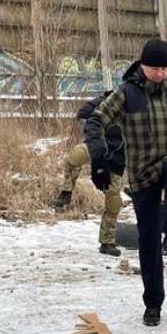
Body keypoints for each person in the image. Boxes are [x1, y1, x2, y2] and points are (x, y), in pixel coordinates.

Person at [84, 38, 167, 326]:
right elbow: (96, 120)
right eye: (153, 68)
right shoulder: (126, 93)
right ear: (142, 65)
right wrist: (98, 158)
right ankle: (153, 303)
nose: (159, 74)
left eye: (164, 68)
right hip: (142, 173)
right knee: (147, 242)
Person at [51, 90, 125, 257]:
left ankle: (107, 242)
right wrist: (93, 133)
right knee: (74, 157)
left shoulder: (141, 109)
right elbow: (82, 114)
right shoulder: (106, 100)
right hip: (97, 147)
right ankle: (66, 192)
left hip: (118, 160)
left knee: (113, 201)